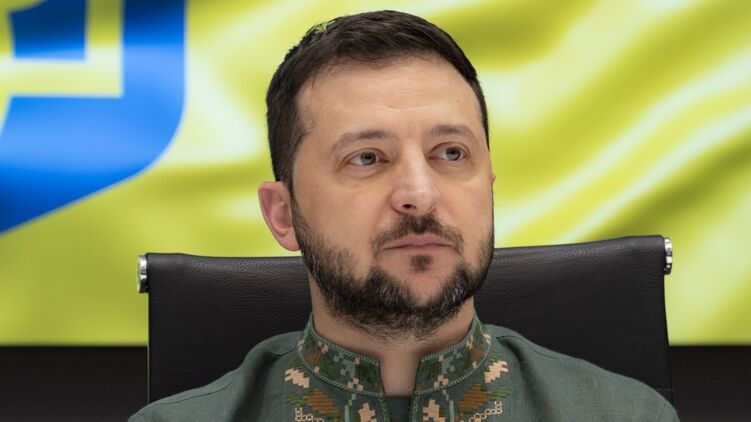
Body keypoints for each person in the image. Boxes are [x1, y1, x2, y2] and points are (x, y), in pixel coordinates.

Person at [130, 10, 678, 421]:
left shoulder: (628, 416)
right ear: (283, 214)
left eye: (451, 153)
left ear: (488, 189)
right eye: (366, 158)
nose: (420, 194)